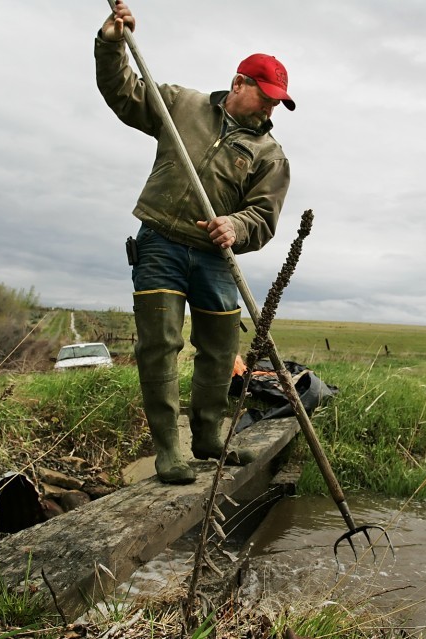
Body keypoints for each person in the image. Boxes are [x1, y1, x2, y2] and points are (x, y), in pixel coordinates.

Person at [95, 1, 294, 484]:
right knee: (159, 346)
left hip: (215, 259)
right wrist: (111, 42)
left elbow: (263, 217)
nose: (271, 106)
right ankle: (168, 451)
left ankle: (207, 438)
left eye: (278, 100)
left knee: (222, 349)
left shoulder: (271, 155)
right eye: (265, 95)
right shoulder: (180, 104)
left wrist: (236, 226)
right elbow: (122, 92)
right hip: (160, 243)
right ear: (239, 83)